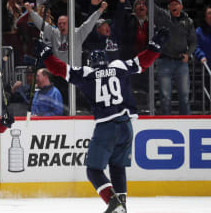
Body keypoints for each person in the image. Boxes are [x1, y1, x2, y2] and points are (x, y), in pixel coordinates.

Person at [34, 28, 170, 213]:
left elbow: (58, 68)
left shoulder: (86, 74)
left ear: (90, 63)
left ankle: (113, 204)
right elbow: (143, 61)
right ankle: (122, 207)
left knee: (93, 171)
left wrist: (46, 53)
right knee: (117, 166)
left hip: (106, 127)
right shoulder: (118, 67)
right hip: (126, 125)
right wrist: (156, 45)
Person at [153, 0, 197, 115]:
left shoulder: (188, 21)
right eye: (171, 4)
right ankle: (166, 124)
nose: (173, 6)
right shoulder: (164, 17)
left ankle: (186, 123)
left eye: (176, 4)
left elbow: (193, 42)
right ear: (168, 7)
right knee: (165, 98)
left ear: (181, 7)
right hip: (164, 61)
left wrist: (188, 54)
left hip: (181, 63)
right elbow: (149, 4)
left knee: (184, 97)